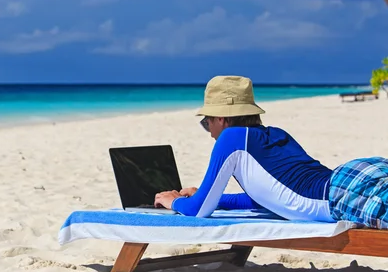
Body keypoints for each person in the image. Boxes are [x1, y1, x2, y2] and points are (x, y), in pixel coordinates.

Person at [154, 75, 388, 229]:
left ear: (221, 119)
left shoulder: (231, 138)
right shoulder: (276, 134)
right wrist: (209, 196)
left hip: (343, 194)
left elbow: (197, 212)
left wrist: (174, 202)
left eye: (207, 123)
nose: (209, 131)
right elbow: (267, 199)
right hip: (353, 176)